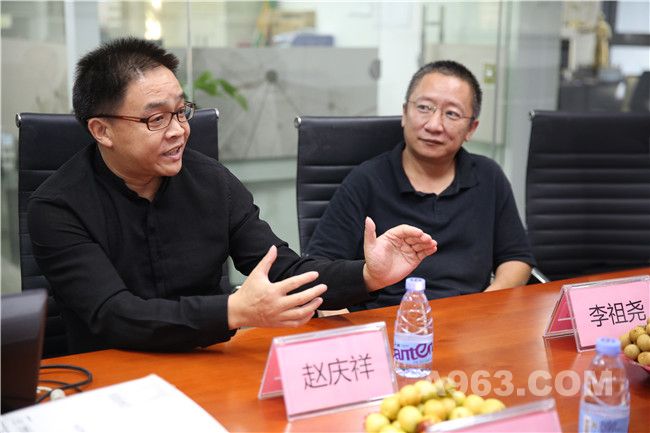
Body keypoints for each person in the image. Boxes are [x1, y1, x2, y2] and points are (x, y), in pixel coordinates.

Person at [27, 37, 437, 354]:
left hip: (208, 360)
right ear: (102, 130)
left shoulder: (212, 182)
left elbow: (284, 270)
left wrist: (367, 275)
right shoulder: (57, 207)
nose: (178, 131)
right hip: (110, 374)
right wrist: (233, 312)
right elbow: (114, 314)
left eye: (181, 111)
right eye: (156, 119)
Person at [306, 60, 535, 311]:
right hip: (387, 321)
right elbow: (320, 268)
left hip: (469, 321)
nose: (434, 125)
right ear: (405, 113)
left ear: (471, 128)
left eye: (452, 113)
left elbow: (516, 258)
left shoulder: (488, 177)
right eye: (424, 107)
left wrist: (484, 307)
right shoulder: (366, 180)